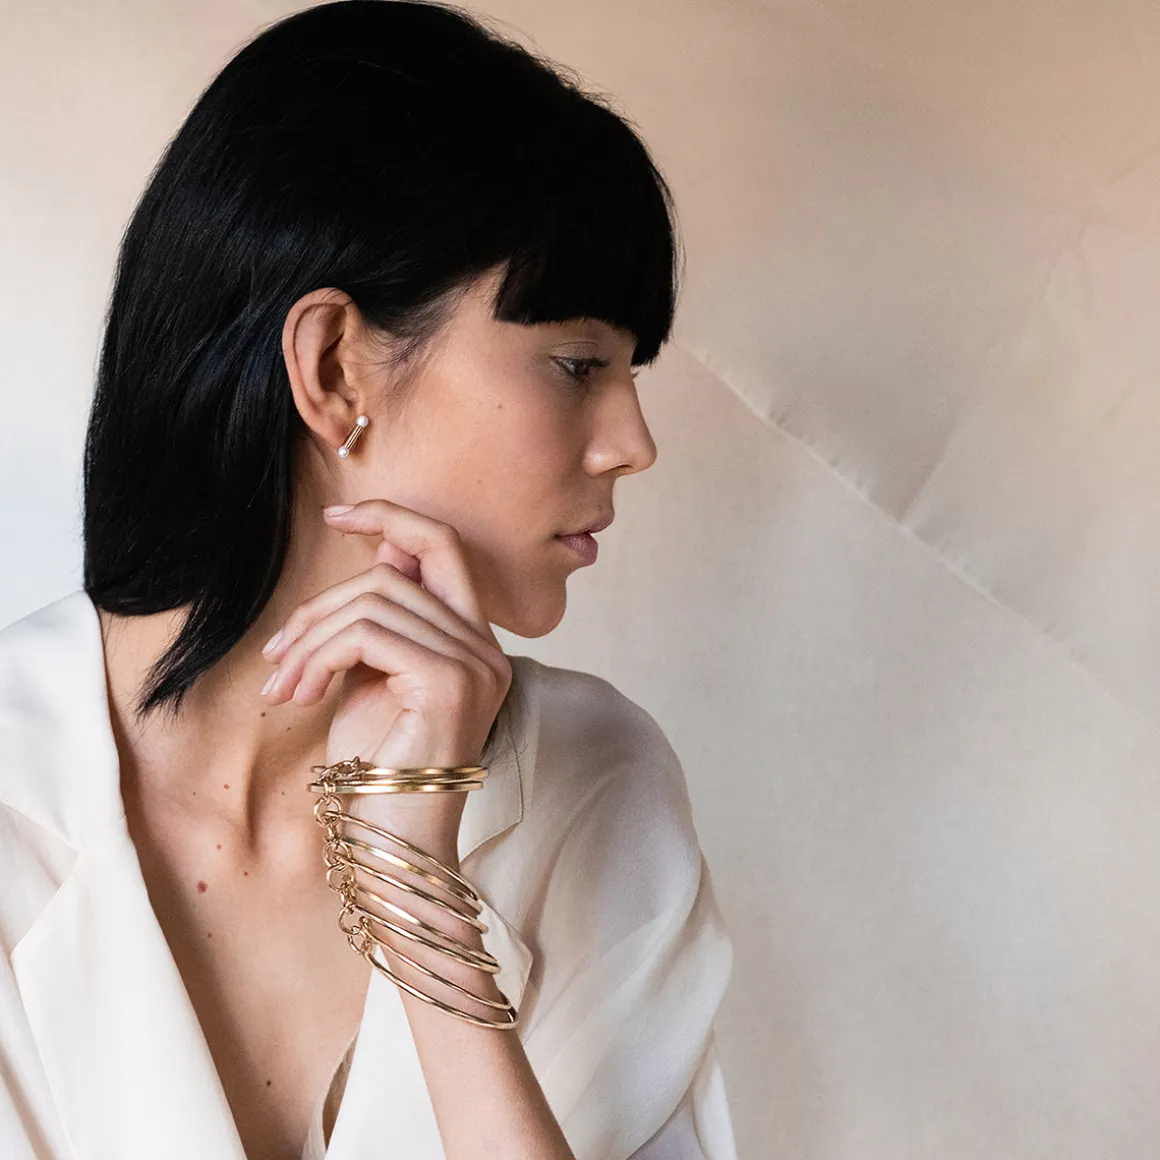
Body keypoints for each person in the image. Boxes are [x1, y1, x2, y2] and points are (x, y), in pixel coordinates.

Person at [0, 2, 737, 1158]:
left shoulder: (597, 785)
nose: (632, 443)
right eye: (576, 363)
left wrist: (412, 881)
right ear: (334, 366)